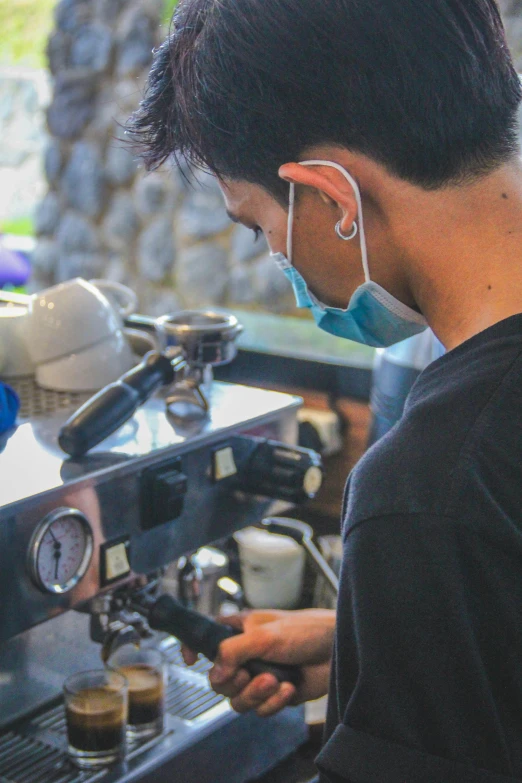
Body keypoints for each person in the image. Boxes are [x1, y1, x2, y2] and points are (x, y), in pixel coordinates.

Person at [129, 1, 522, 780]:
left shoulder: (430, 486)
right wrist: (368, 641)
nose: (276, 251)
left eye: (259, 225)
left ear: (334, 200)